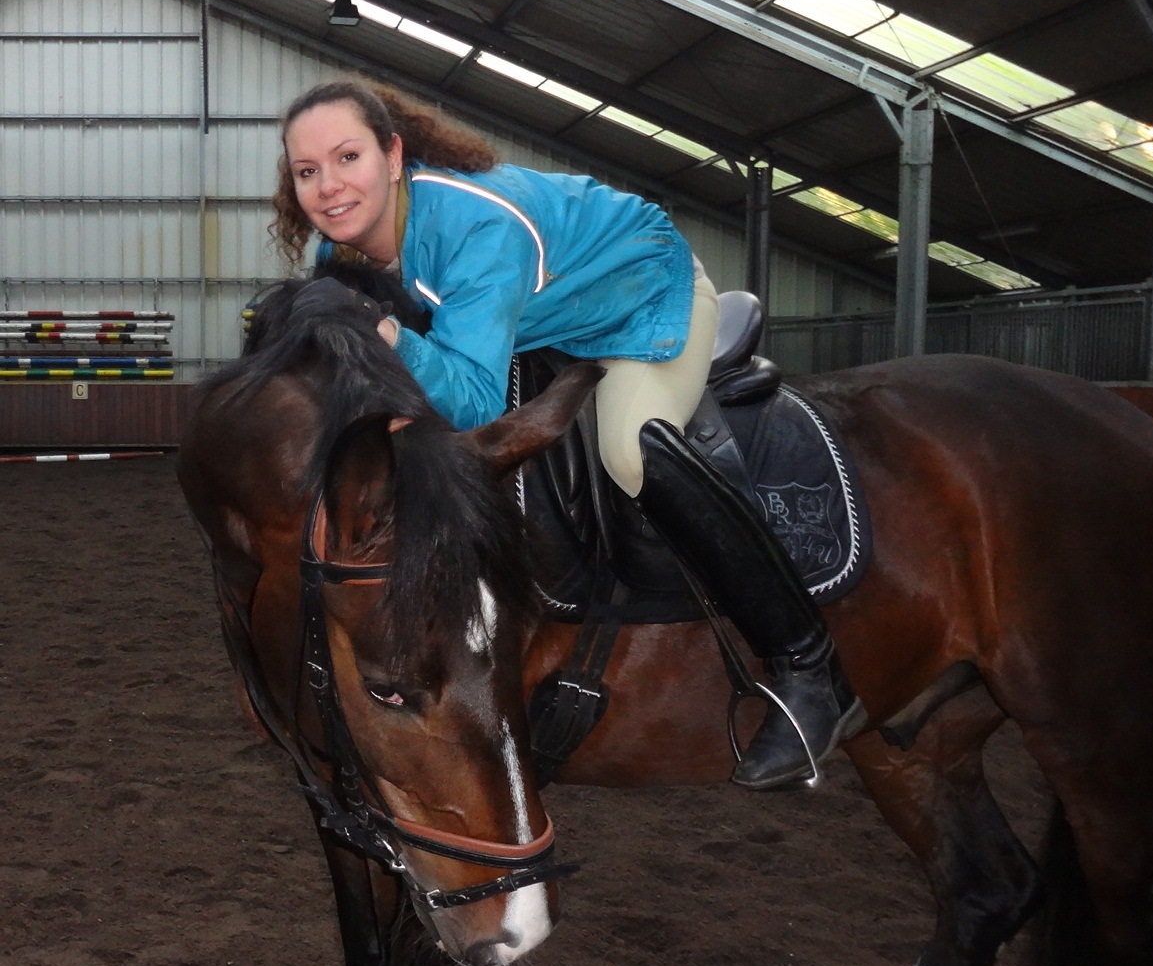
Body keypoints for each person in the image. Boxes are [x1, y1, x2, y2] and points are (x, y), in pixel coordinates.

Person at [269, 78, 864, 789]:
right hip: (547, 320)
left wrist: (387, 333)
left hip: (642, 300)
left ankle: (808, 667)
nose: (329, 187)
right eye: (308, 171)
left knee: (632, 449)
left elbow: (474, 401)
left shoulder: (478, 228)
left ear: (393, 156)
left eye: (348, 158)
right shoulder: (341, 252)